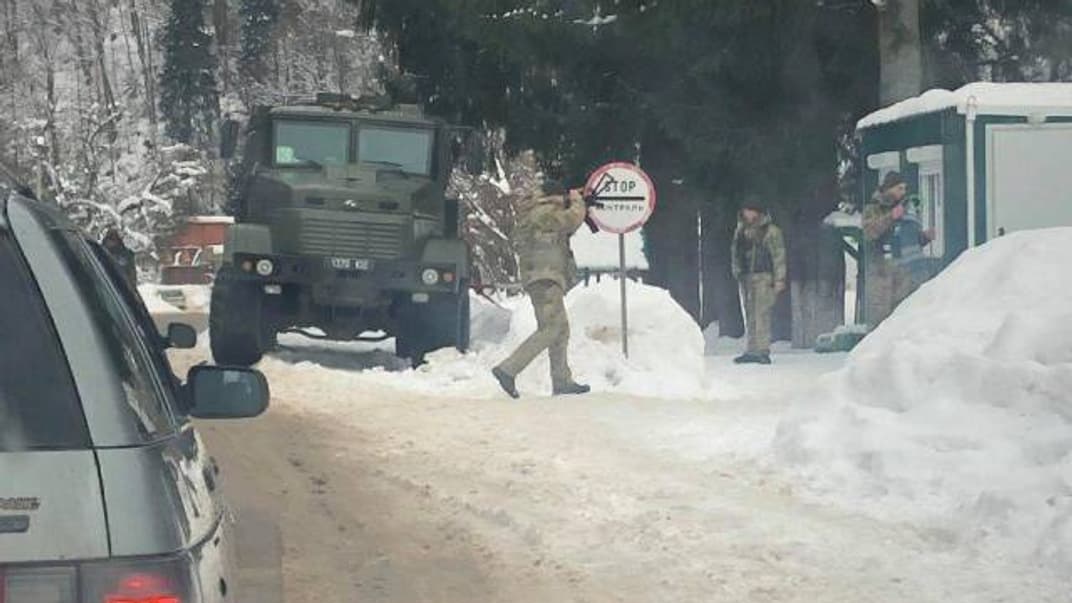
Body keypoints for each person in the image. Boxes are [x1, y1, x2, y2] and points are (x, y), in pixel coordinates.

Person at [492, 179, 591, 399]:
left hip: (542, 276)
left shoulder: (535, 212)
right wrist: (577, 201)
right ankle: (508, 369)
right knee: (551, 328)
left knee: (560, 328)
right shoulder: (545, 212)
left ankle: (562, 379)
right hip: (545, 275)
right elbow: (572, 219)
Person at [862, 172, 933, 327]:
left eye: (904, 188)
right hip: (881, 274)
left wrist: (924, 238)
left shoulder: (906, 209)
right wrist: (891, 217)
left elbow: (907, 239)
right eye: (899, 188)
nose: (903, 192)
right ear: (888, 189)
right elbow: (870, 231)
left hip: (903, 274)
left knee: (901, 318)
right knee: (880, 320)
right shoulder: (873, 208)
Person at [731, 196, 786, 365]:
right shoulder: (740, 231)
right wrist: (737, 271)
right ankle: (751, 348)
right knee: (750, 314)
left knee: (762, 313)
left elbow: (779, 256)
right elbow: (735, 252)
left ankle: (762, 350)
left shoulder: (771, 231)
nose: (747, 213)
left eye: (750, 210)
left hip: (765, 277)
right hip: (747, 277)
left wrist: (780, 279)